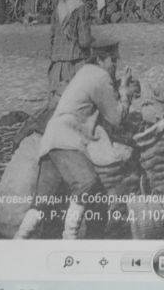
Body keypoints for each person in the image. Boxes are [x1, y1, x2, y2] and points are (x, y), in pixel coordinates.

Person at [31, 40, 138, 239]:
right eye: (112, 61)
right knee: (87, 182)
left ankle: (20, 238)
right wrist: (124, 93)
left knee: (41, 203)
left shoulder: (85, 72)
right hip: (67, 139)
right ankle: (70, 237)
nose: (115, 66)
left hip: (52, 137)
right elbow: (116, 118)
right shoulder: (100, 76)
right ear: (100, 60)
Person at [47, 0, 93, 96]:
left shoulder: (59, 7)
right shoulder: (81, 8)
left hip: (56, 67)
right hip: (75, 65)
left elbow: (52, 37)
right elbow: (84, 41)